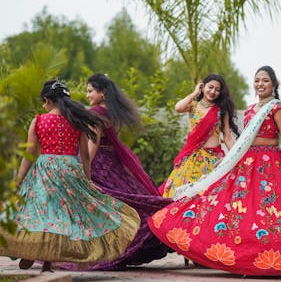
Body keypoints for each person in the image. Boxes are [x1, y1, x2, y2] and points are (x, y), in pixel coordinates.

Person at [148, 66, 281, 276]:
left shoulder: (276, 107)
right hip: (247, 163)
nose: (260, 84)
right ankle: (244, 258)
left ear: (274, 84)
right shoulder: (251, 109)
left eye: (265, 81)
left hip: (270, 163)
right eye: (257, 80)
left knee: (276, 210)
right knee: (239, 209)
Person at [0, 80, 140, 272]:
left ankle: (31, 251)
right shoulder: (77, 122)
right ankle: (47, 262)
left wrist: (19, 179)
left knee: (39, 213)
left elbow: (29, 154)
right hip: (70, 170)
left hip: (45, 171)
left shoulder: (38, 121)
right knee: (61, 218)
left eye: (43, 102)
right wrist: (88, 181)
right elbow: (85, 156)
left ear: (47, 100)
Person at [80, 73, 172, 270]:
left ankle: (102, 251)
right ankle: (123, 246)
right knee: (125, 203)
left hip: (97, 163)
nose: (87, 95)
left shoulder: (95, 113)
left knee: (100, 208)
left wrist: (81, 169)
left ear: (102, 92)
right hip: (113, 163)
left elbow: (92, 145)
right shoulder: (115, 113)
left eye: (90, 91)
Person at [158, 74, 239, 198]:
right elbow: (178, 107)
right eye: (210, 87)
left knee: (210, 196)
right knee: (185, 196)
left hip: (213, 160)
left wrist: (237, 156)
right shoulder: (193, 106)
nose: (213, 92)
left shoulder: (221, 110)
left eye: (217, 90)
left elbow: (227, 137)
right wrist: (195, 93)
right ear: (203, 87)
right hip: (191, 159)